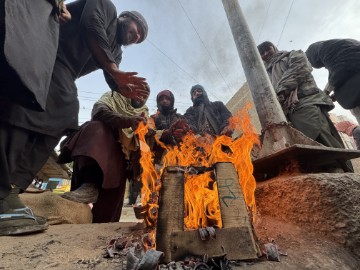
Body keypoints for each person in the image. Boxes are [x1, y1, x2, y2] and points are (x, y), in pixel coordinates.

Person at [0, 0, 149, 235]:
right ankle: (3, 192)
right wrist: (114, 71)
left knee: (63, 115)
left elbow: (112, 76)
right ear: (124, 17)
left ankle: (11, 190)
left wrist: (125, 88)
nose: (137, 35)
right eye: (137, 27)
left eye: (140, 37)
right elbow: (92, 26)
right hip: (46, 50)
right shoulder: (106, 8)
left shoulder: (116, 52)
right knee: (34, 111)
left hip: (64, 73)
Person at [58, 89, 149, 223]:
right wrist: (127, 121)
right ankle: (90, 183)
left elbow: (147, 141)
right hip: (98, 152)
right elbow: (98, 112)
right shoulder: (113, 96)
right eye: (138, 91)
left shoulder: (144, 113)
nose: (141, 96)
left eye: (145, 95)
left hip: (121, 163)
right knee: (95, 127)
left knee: (107, 219)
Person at [257, 41, 347, 151]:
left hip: (306, 102)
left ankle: (340, 166)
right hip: (287, 113)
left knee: (322, 140)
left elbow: (299, 69)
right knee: (305, 147)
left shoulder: (292, 55)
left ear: (274, 48)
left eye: (268, 49)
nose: (265, 53)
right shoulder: (265, 74)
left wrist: (280, 90)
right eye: (262, 53)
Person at [305, 39, 360, 111]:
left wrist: (326, 93)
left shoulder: (325, 50)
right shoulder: (337, 46)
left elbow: (339, 71)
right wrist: (333, 94)